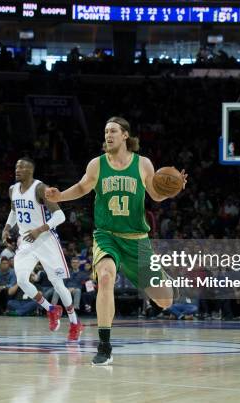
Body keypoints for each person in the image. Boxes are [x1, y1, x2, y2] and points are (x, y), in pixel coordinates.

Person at [45, 116, 186, 365]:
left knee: (165, 301)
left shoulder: (143, 164)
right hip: (106, 235)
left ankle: (164, 276)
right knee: (107, 276)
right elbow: (82, 187)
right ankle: (104, 345)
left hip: (137, 240)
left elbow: (155, 193)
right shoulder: (97, 164)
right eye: (106, 131)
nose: (108, 135)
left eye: (113, 131)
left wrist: (171, 189)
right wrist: (60, 196)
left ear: (125, 136)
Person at [2, 157, 83, 341]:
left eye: (22, 167)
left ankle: (74, 322)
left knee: (58, 284)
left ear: (31, 170)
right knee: (22, 280)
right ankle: (51, 309)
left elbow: (60, 216)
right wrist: (7, 228)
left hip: (45, 239)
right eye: (16, 166)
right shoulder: (12, 189)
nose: (17, 169)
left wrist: (40, 230)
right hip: (26, 241)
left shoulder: (40, 188)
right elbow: (14, 212)